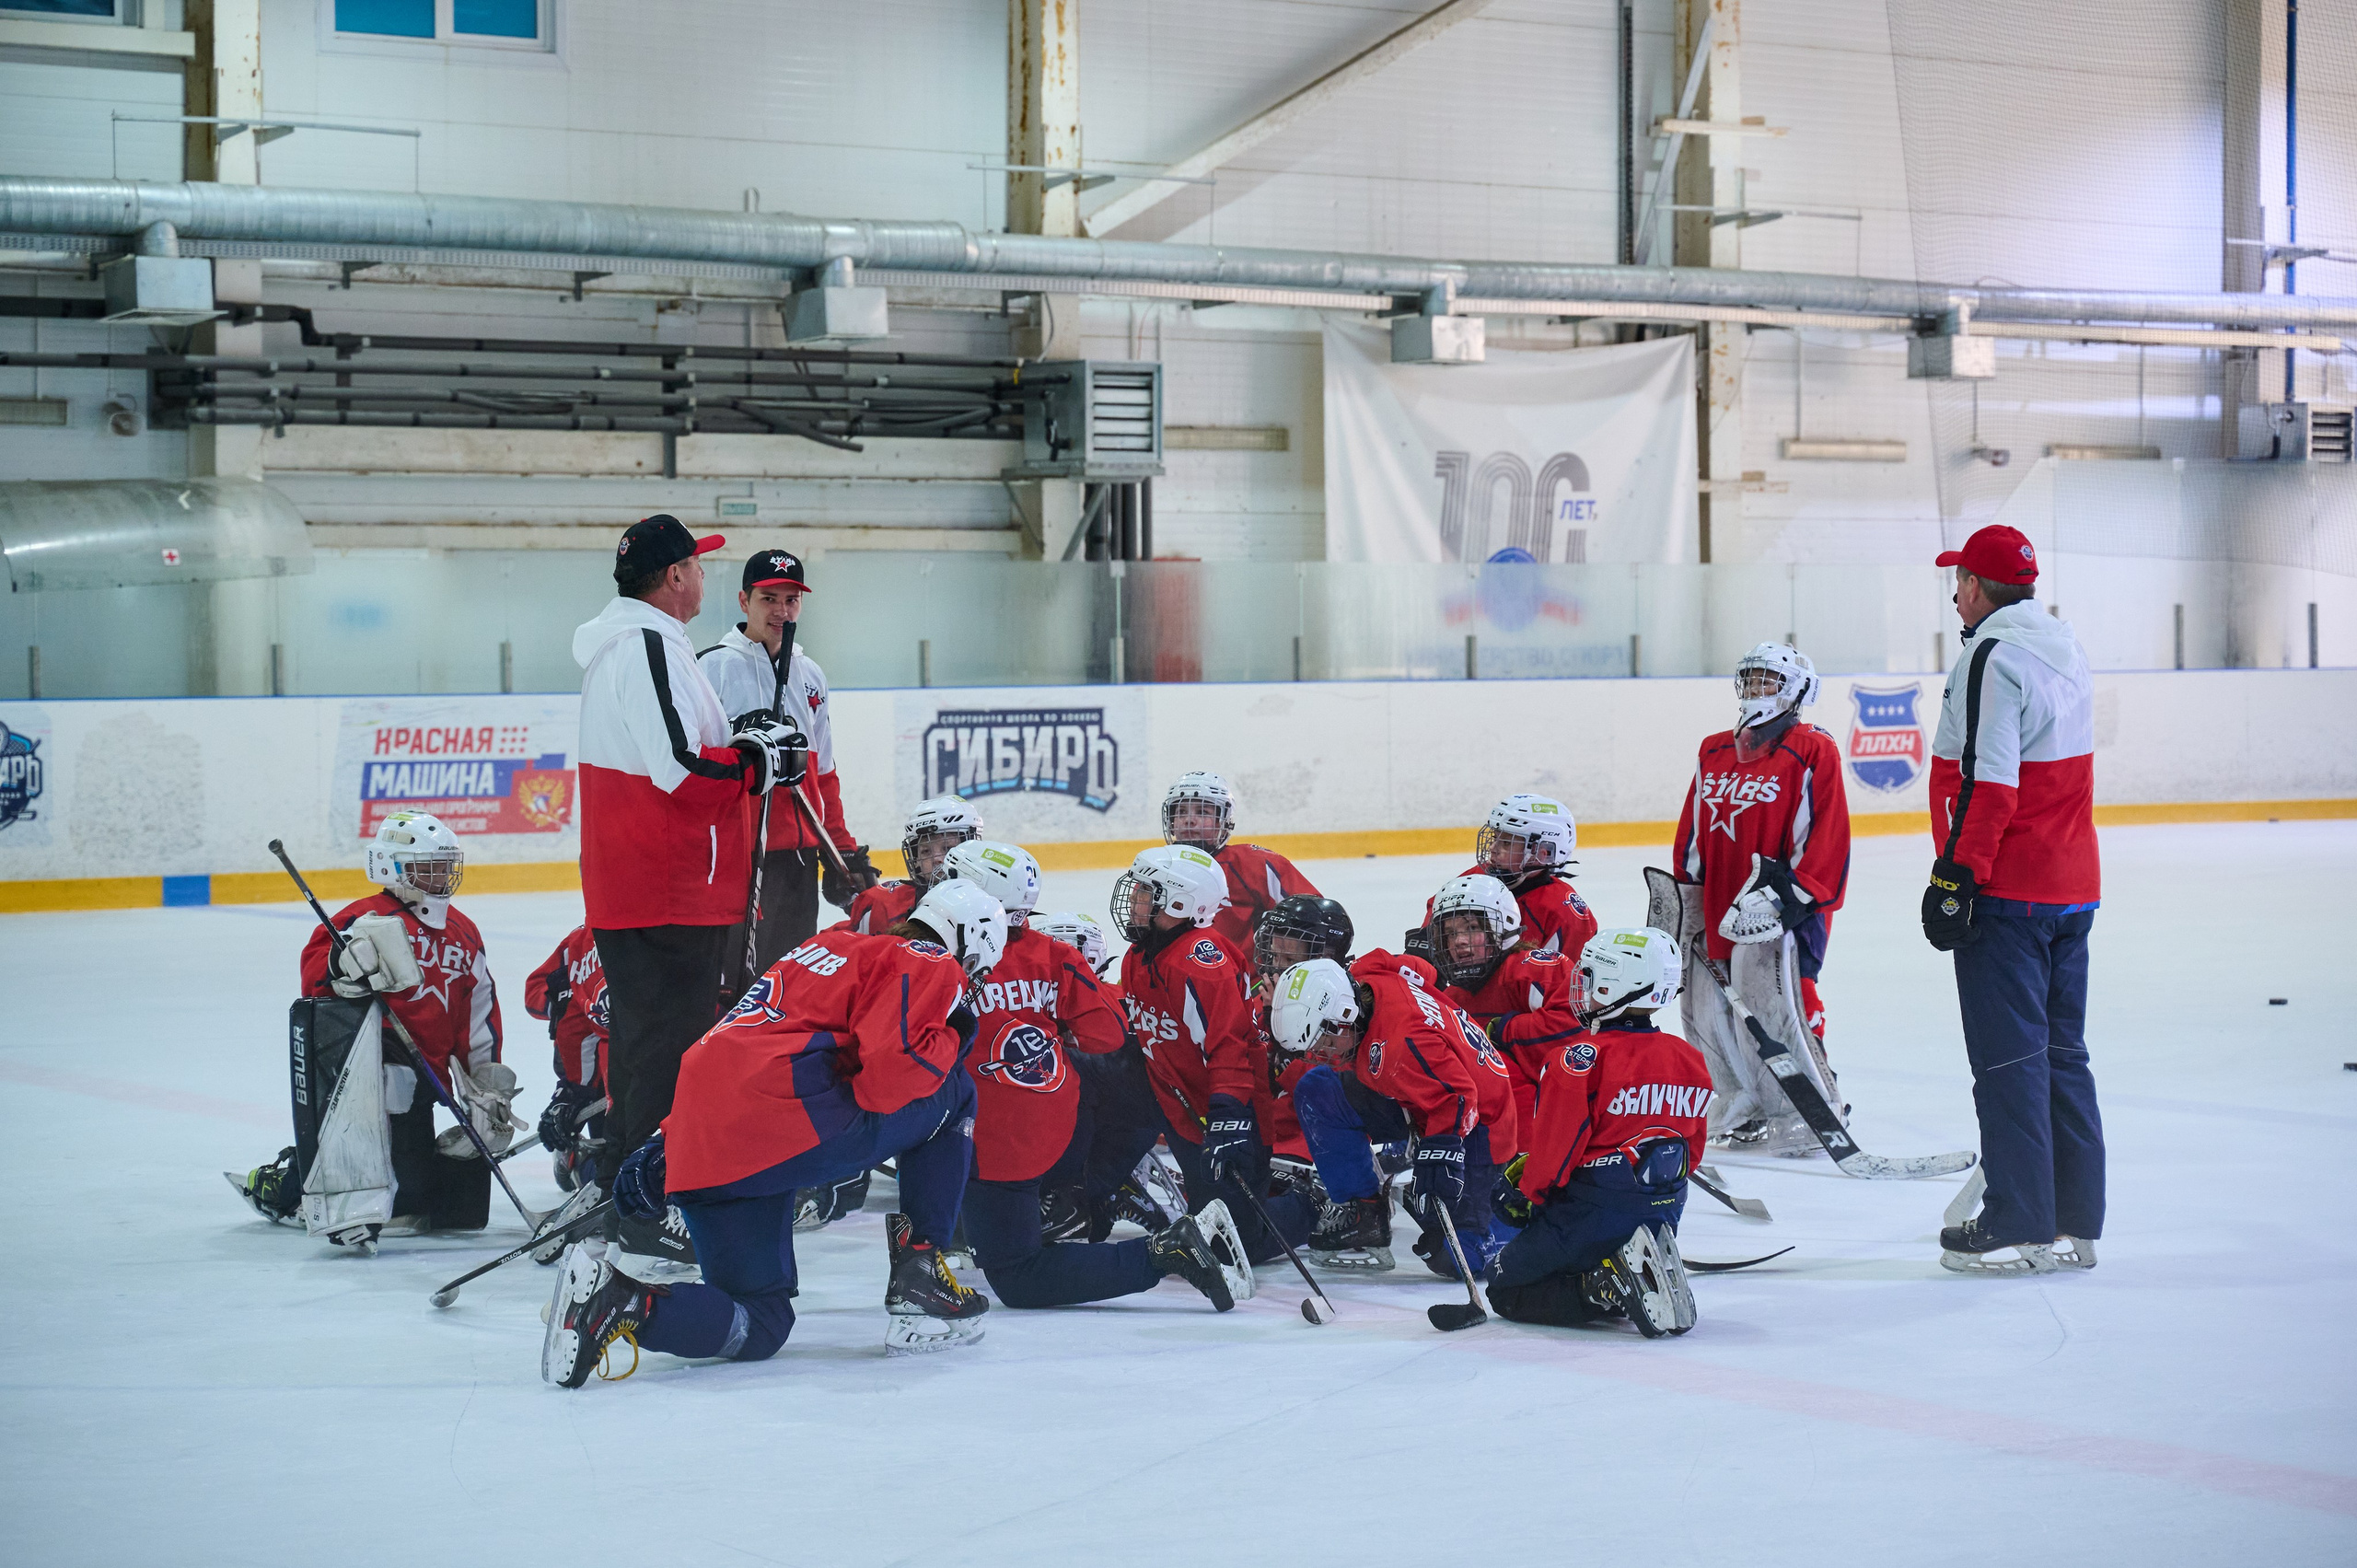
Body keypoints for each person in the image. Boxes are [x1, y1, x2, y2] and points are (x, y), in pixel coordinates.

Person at [541, 880, 1010, 1388]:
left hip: (701, 1136)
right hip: (783, 1125)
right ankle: (921, 1270)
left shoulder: (825, 945)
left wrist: (665, 1145)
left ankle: (621, 1302)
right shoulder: (929, 959)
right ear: (968, 941)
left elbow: (738, 1044)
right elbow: (888, 1081)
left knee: (759, 1325)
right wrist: (953, 1038)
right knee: (956, 1087)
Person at [574, 514, 807, 1283]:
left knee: (650, 1049)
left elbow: (673, 754)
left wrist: (746, 751)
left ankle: (619, 1194)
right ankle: (644, 1212)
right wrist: (753, 763)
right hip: (666, 884)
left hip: (659, 882)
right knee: (665, 1054)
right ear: (674, 576)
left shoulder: (646, 644)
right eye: (699, 566)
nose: (706, 577)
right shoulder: (644, 645)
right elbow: (677, 766)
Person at [942, 840, 1245, 1312]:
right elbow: (1105, 1033)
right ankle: (1070, 1199)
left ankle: (1159, 1248)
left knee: (1016, 1275)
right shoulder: (1055, 953)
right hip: (1054, 1127)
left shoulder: (936, 962)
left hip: (993, 1142)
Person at [1922, 524, 2104, 1276]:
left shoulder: (1989, 655)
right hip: (2071, 887)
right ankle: (2075, 1214)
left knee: (2008, 1061)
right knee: (2063, 1054)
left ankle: (2019, 1218)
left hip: (2010, 893)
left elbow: (1990, 782)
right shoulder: (2063, 643)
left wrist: (1956, 878)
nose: (1954, 591)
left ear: (1979, 585)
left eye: (1958, 578)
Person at [226, 811, 514, 1245]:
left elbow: (479, 1011)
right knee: (404, 1205)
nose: (442, 877)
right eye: (429, 866)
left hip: (432, 1076)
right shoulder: (363, 918)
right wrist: (340, 965)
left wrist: (487, 1084)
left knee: (460, 1211)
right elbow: (314, 984)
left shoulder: (463, 931)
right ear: (391, 866)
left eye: (445, 865)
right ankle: (288, 1187)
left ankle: (402, 1178)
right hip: (376, 1079)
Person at [1666, 642, 1852, 1155]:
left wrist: (1788, 897)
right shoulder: (1714, 749)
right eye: (1748, 680)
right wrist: (1682, 894)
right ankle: (1738, 1103)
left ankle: (1809, 1107)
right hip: (1719, 903)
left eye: (1767, 681)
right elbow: (1695, 832)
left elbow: (1827, 835)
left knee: (1780, 1002)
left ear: (1795, 690)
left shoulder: (1813, 748)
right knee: (1708, 1010)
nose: (1754, 691)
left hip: (1783, 908)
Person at [1485, 927, 1708, 1337]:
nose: (1581, 989)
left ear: (1611, 986)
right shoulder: (1690, 1058)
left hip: (1591, 1212)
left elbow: (1556, 1152)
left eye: (1588, 979)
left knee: (1504, 1285)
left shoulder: (1578, 1059)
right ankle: (1626, 1265)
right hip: (1665, 1210)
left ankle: (1602, 1287)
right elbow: (1691, 1151)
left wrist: (1525, 1194)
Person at [1112, 843, 1316, 1263]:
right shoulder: (1138, 956)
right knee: (1209, 1225)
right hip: (1184, 1111)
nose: (1134, 900)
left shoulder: (1201, 964)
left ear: (1180, 901)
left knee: (1237, 1246)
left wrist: (1228, 1115)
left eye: (1145, 893)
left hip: (1232, 1115)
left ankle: (1313, 1205)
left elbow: (1230, 1045)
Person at [1266, 951, 1515, 1278]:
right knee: (1318, 1089)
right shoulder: (1367, 971)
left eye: (1324, 1041)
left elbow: (1460, 1098)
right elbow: (1425, 970)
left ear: (1344, 1013)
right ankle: (1364, 1211)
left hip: (1481, 1121)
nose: (1320, 1055)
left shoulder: (1400, 1046)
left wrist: (1439, 1155)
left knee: (1458, 1258)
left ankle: (1520, 1224)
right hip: (1423, 1090)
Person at [697, 549, 871, 986]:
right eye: (768, 598)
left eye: (791, 599)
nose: (781, 610)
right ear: (744, 601)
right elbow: (696, 771)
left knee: (792, 982)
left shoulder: (810, 675)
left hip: (798, 857)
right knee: (737, 983)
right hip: (741, 855)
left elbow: (823, 774)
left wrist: (841, 849)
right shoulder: (710, 668)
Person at [1424, 873, 1583, 1145]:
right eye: (1450, 933)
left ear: (1503, 928)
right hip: (1487, 1137)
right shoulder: (1451, 998)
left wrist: (1505, 1031)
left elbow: (1576, 1035)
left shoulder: (1535, 970)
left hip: (1561, 1123)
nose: (1459, 941)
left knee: (1496, 1064)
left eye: (1472, 928)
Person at [1419, 795, 1597, 960]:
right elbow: (1435, 917)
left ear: (1542, 853)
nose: (1492, 848)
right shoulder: (1478, 878)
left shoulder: (1561, 910)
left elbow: (1572, 980)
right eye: (1495, 838)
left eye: (1506, 842)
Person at [1159, 772, 1319, 951]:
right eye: (1180, 812)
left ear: (1223, 821)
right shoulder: (1155, 869)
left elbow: (1314, 914)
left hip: (1247, 978)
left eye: (1202, 812)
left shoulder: (1254, 864)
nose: (1189, 820)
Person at [524, 923, 608, 1194]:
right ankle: (581, 1161)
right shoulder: (581, 940)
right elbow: (535, 990)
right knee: (613, 1146)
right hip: (594, 1064)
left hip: (635, 1054)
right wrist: (570, 1001)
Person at [833, 795, 981, 935]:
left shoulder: (994, 903)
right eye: (925, 851)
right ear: (915, 859)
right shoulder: (886, 904)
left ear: (970, 850)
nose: (937, 859)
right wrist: (855, 903)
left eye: (948, 848)